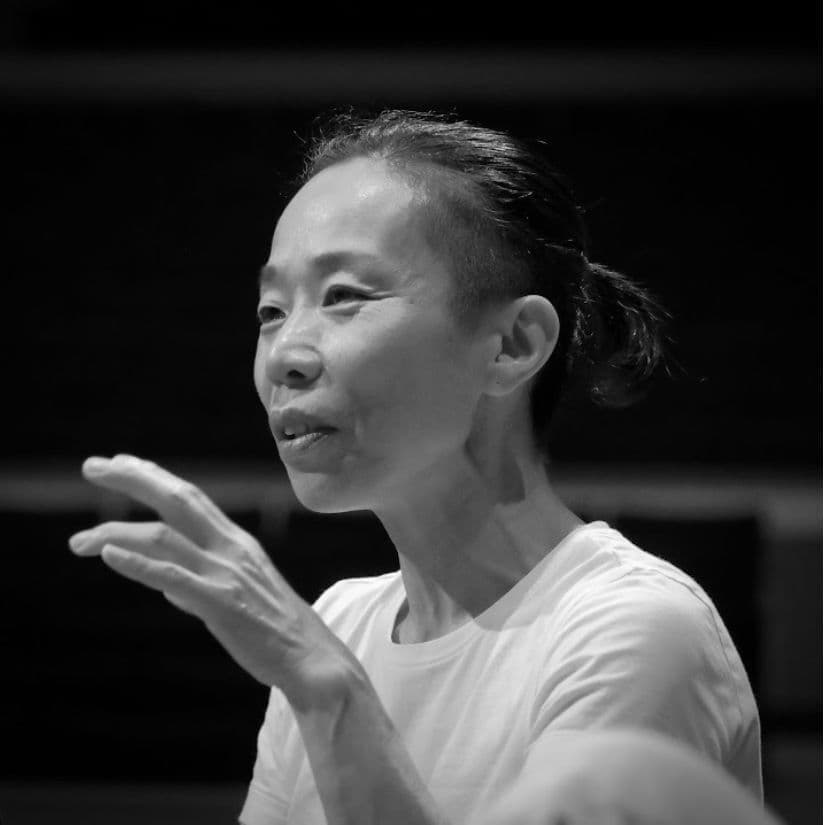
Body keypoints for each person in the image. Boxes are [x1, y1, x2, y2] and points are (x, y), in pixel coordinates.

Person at [69, 110, 765, 825]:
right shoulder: (337, 623)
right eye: (271, 310)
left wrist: (331, 694)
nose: (284, 356)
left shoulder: (631, 629)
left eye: (344, 296)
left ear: (512, 344)